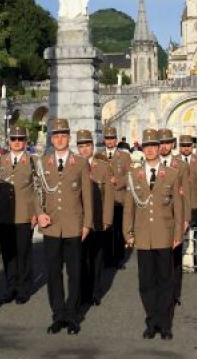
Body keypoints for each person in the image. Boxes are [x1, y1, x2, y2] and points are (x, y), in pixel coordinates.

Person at [123, 128, 183, 340]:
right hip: (142, 236)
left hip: (164, 235)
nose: (149, 150)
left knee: (166, 281)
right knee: (146, 281)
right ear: (142, 149)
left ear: (159, 148)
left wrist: (178, 234)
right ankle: (152, 321)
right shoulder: (133, 175)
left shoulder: (173, 174)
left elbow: (178, 205)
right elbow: (129, 206)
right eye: (145, 146)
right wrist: (127, 232)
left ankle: (165, 324)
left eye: (153, 146)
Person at [35, 119, 92, 335]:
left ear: (69, 138)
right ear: (51, 139)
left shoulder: (79, 163)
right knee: (53, 271)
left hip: (73, 225)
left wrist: (87, 223)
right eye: (56, 135)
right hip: (51, 226)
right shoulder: (44, 162)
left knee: (75, 271)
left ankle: (73, 314)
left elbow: (86, 195)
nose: (59, 139)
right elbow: (37, 192)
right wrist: (39, 214)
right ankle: (58, 314)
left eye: (63, 135)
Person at [0, 125, 36, 305]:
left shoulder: (33, 161)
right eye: (14, 139)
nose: (17, 142)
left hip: (24, 215)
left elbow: (38, 189)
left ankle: (23, 287)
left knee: (23, 253)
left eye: (20, 139)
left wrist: (36, 212)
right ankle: (10, 286)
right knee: (8, 253)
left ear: (26, 142)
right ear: (9, 141)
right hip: (4, 215)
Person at [76, 129, 114, 306]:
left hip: (98, 219)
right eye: (81, 146)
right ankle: (84, 291)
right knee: (81, 257)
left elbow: (108, 197)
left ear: (92, 147)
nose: (84, 149)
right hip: (79, 220)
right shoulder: (73, 165)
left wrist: (107, 219)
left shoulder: (103, 167)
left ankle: (96, 291)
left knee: (97, 257)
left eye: (87, 145)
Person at [158, 129, 190, 307]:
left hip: (176, 217)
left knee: (175, 258)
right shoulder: (152, 164)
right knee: (160, 257)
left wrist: (186, 219)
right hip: (159, 218)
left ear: (172, 144)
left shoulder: (181, 166)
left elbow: (186, 194)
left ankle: (175, 293)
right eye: (161, 143)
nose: (164, 146)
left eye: (167, 142)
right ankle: (162, 291)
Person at [95, 126, 131, 269]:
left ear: (116, 140)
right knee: (105, 231)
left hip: (118, 199)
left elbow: (130, 177)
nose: (109, 141)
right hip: (103, 201)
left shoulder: (124, 156)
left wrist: (118, 181)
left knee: (118, 232)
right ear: (104, 140)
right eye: (107, 138)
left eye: (112, 138)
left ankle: (118, 259)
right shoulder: (98, 156)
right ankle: (107, 258)